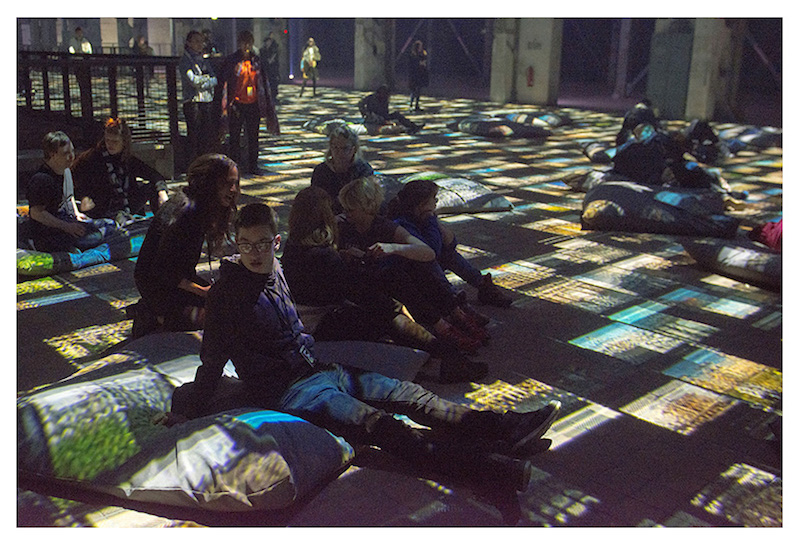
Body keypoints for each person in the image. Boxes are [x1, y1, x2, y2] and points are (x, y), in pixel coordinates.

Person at [173, 201, 562, 522]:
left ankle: (505, 427)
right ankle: (492, 468)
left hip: (319, 368)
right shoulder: (226, 295)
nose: (255, 253)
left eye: (262, 244)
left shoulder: (276, 269)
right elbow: (211, 362)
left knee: (408, 393)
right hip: (290, 392)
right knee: (381, 427)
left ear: (276, 241)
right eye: (246, 245)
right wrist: (187, 408)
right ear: (236, 245)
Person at [281, 186, 487, 383]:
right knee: (391, 318)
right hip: (317, 323)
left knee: (392, 284)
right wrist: (394, 307)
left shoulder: (293, 246)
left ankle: (443, 346)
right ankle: (446, 355)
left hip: (307, 316)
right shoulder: (324, 256)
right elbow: (358, 293)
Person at [337, 177, 490, 353]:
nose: (346, 213)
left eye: (351, 209)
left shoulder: (385, 227)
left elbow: (428, 252)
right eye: (345, 209)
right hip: (366, 284)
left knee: (418, 268)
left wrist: (393, 248)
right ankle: (444, 325)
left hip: (389, 279)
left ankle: (454, 317)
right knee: (396, 278)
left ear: (367, 208)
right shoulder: (343, 226)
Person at [131, 154, 239, 338]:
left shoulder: (196, 205)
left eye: (235, 183)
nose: (233, 189)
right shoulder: (187, 213)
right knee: (218, 317)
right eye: (227, 183)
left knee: (227, 303)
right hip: (157, 285)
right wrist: (203, 292)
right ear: (211, 183)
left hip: (174, 279)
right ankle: (155, 316)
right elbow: (162, 270)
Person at [388, 179, 513, 308]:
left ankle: (482, 284)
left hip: (426, 262)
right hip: (412, 272)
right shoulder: (403, 223)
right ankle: (451, 298)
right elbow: (432, 252)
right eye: (434, 198)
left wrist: (433, 222)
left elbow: (451, 243)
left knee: (450, 254)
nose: (436, 202)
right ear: (421, 204)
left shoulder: (422, 217)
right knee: (433, 262)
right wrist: (431, 220)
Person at [25, 131, 119, 253]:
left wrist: (76, 213)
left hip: (68, 222)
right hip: (48, 233)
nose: (71, 157)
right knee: (96, 236)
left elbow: (69, 197)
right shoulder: (42, 180)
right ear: (52, 155)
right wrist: (66, 227)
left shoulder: (66, 171)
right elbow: (36, 213)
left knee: (110, 224)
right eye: (66, 153)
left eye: (72, 151)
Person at [71, 118, 169, 227]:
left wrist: (162, 193)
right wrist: (84, 197)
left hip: (126, 204)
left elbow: (155, 175)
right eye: (107, 140)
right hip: (100, 208)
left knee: (152, 188)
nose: (110, 145)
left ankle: (161, 227)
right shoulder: (91, 158)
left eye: (115, 142)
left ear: (124, 142)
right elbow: (72, 179)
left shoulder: (127, 159)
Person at [220, 30, 280, 175]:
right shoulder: (232, 60)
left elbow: (263, 82)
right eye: (243, 42)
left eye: (249, 42)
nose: (246, 45)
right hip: (237, 104)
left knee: (253, 137)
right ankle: (234, 167)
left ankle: (253, 165)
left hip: (253, 104)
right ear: (239, 43)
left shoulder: (257, 60)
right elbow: (226, 82)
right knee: (234, 137)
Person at [310, 124, 374, 214]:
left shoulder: (363, 170)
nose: (340, 153)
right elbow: (316, 201)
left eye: (345, 148)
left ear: (354, 149)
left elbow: (367, 201)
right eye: (335, 148)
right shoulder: (321, 171)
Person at [180, 30, 218, 165]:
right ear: (189, 43)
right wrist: (206, 80)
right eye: (196, 41)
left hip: (206, 101)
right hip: (193, 102)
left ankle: (204, 163)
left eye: (201, 41)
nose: (200, 44)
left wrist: (203, 80)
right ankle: (193, 163)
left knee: (206, 135)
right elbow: (193, 81)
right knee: (194, 136)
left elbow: (215, 80)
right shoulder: (185, 60)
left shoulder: (204, 60)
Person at [358, 84, 424, 134]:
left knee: (397, 115)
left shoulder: (385, 99)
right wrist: (365, 113)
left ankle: (412, 126)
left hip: (383, 115)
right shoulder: (371, 97)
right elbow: (360, 103)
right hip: (375, 117)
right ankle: (407, 128)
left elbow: (385, 111)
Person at [408, 40, 429, 112]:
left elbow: (424, 61)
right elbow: (413, 64)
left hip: (421, 73)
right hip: (415, 73)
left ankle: (416, 105)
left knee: (418, 90)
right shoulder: (413, 55)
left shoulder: (423, 53)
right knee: (414, 90)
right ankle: (411, 104)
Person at [261, 31, 280, 103]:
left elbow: (276, 62)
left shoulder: (274, 50)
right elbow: (262, 60)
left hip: (273, 70)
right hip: (266, 70)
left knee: (274, 83)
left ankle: (274, 97)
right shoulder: (262, 50)